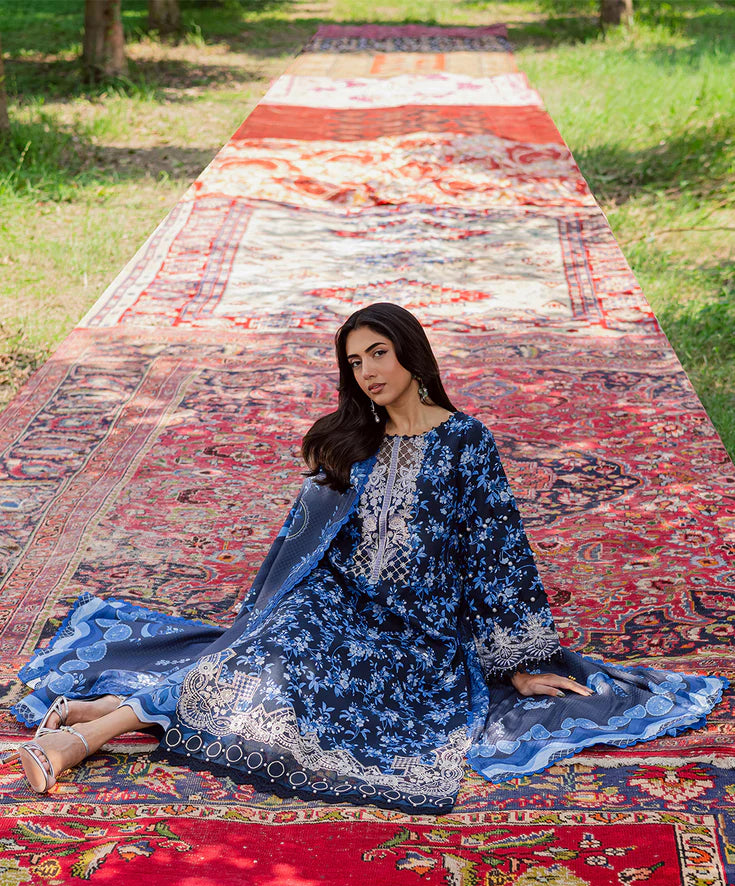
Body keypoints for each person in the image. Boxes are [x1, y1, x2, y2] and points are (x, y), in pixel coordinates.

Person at [9, 303, 726, 813]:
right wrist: (289, 604)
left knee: (284, 692)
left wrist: (519, 663)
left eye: (377, 353)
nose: (367, 371)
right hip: (335, 601)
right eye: (354, 362)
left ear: (410, 352)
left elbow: (497, 552)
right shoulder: (353, 440)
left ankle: (94, 724)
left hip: (415, 633)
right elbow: (307, 542)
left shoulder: (465, 442)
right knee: (262, 660)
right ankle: (88, 734)